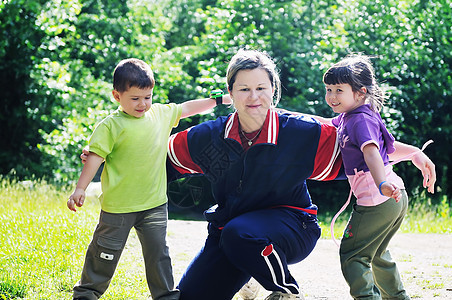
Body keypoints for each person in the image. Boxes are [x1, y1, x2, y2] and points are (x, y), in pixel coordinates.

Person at [81, 50, 435, 300]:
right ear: (230, 93)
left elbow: (362, 144)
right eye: (244, 89)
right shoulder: (207, 138)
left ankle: (287, 291)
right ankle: (247, 278)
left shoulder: (304, 131)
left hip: (293, 226)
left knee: (241, 233)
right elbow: (155, 157)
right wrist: (106, 175)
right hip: (229, 235)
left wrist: (414, 154)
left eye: (262, 88)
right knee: (196, 289)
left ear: (273, 91)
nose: (253, 97)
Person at [67, 58, 230, 300]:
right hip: (118, 206)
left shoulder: (160, 114)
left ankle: (165, 296)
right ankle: (87, 294)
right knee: (104, 252)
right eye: (135, 98)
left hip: (154, 203)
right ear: (117, 95)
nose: (143, 104)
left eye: (148, 96)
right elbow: (95, 156)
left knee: (158, 255)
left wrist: (218, 100)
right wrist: (80, 188)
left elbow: (187, 108)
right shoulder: (111, 126)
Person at [307, 54, 434, 299]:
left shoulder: (360, 120)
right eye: (329, 89)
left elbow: (372, 152)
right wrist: (279, 114)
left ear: (360, 92)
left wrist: (381, 183)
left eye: (339, 90)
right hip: (394, 198)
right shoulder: (349, 116)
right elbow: (324, 123)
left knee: (353, 255)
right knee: (376, 253)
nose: (331, 96)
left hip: (378, 199)